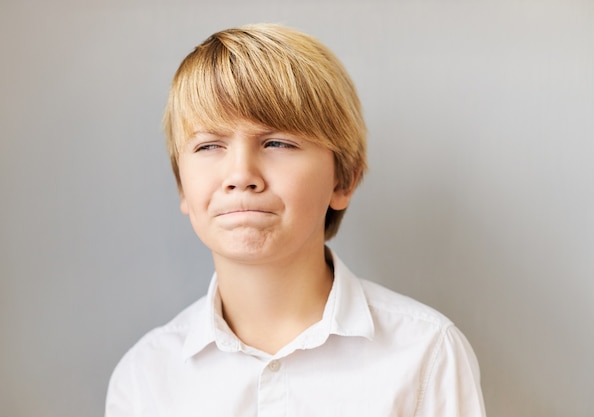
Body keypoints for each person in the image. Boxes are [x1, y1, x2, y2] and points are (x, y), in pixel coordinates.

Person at [105, 23, 486, 417]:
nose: (240, 175)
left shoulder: (426, 354)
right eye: (209, 145)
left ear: (344, 179)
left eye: (277, 143)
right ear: (182, 187)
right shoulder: (145, 378)